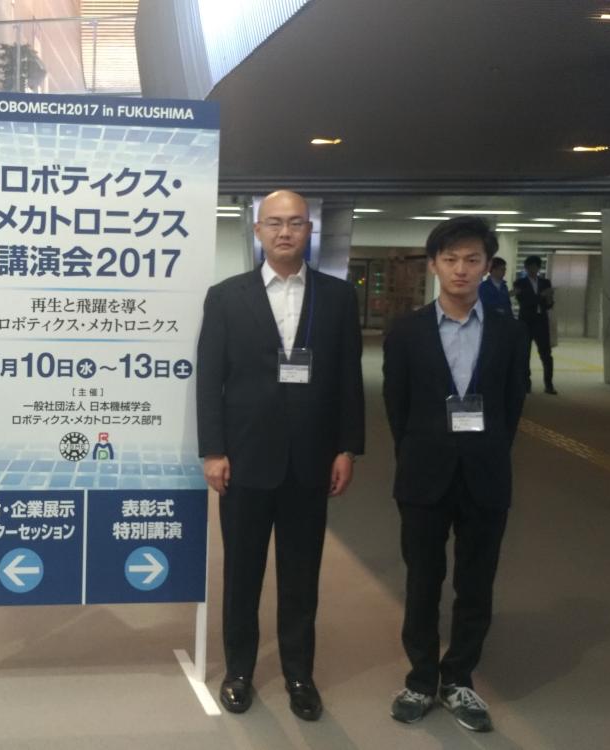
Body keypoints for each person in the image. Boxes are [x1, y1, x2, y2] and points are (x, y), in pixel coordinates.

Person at [196, 190, 365, 721]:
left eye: (295, 223)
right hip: (245, 460)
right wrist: (213, 450)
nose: (285, 232)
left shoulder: (338, 297)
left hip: (311, 461)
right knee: (241, 574)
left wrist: (347, 446)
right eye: (274, 223)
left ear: (310, 229)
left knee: (301, 576)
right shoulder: (226, 296)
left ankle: (298, 675)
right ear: (257, 231)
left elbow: (349, 378)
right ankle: (239, 671)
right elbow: (210, 378)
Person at [382, 217, 528, 733]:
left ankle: (459, 677)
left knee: (476, 582)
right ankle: (421, 679)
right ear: (433, 266)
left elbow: (512, 403)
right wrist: (421, 451)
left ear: (487, 266)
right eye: (450, 259)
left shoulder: (510, 332)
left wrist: (485, 450)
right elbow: (396, 406)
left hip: (486, 475)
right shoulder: (406, 331)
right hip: (423, 476)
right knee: (422, 580)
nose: (461, 269)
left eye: (472, 260)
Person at [511, 255, 556, 394]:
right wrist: (542, 296)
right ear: (525, 268)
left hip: (541, 321)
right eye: (530, 267)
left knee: (546, 354)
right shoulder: (520, 283)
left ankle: (549, 384)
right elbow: (525, 302)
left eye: (535, 267)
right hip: (526, 321)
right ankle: (526, 384)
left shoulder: (545, 282)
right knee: (525, 354)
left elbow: (549, 305)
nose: (533, 269)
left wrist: (549, 299)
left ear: (538, 268)